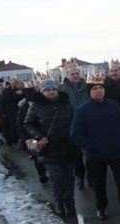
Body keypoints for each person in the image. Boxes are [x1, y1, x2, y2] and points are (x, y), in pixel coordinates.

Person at [70, 69, 120, 224]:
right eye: (94, 88)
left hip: (118, 152)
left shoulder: (114, 105)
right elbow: (75, 134)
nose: (98, 91)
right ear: (90, 92)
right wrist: (90, 145)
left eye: (100, 87)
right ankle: (101, 207)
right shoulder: (82, 111)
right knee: (99, 184)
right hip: (96, 155)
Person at [24, 79, 79, 216]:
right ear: (42, 92)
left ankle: (70, 204)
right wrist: (40, 136)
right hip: (49, 150)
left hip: (68, 147)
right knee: (56, 177)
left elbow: (75, 120)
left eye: (53, 89)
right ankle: (59, 204)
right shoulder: (35, 106)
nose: (51, 92)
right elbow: (28, 124)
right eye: (47, 90)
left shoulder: (66, 103)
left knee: (69, 178)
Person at [58, 66, 90, 189]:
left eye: (77, 73)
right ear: (67, 76)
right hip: (71, 122)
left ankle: (92, 176)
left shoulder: (87, 86)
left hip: (88, 121)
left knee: (90, 152)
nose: (75, 75)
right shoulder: (62, 89)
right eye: (72, 74)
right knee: (77, 155)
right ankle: (79, 177)